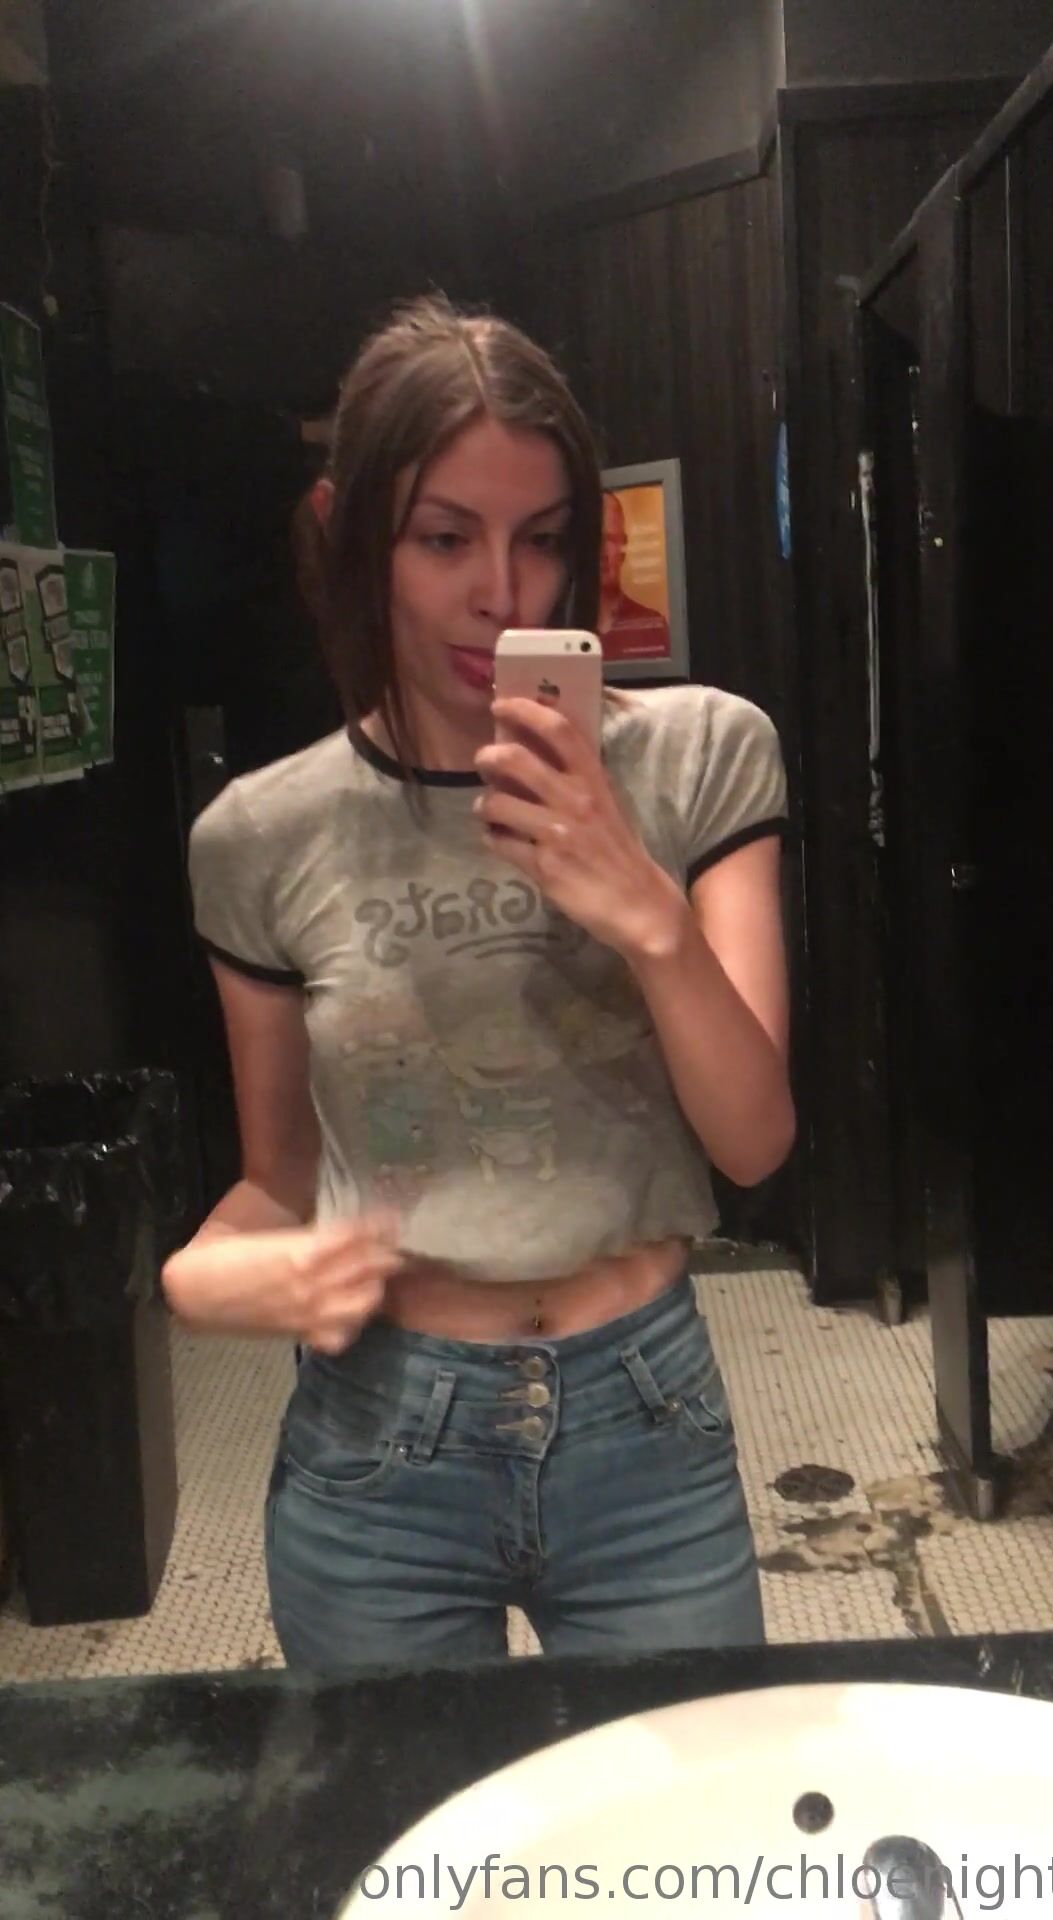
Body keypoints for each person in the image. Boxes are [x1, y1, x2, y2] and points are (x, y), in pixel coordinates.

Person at [163, 293, 795, 1675]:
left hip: (644, 1416)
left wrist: (648, 917)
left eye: (543, 538)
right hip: (382, 1444)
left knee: (683, 1809)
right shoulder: (262, 837)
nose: (503, 592)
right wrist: (213, 1276)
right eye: (445, 537)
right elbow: (276, 1181)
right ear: (350, 533)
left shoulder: (701, 756)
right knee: (419, 1819)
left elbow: (755, 1141)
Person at [597, 489, 671, 658]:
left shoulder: (652, 628)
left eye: (610, 539)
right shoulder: (562, 627)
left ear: (623, 547)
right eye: (594, 540)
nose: (602, 552)